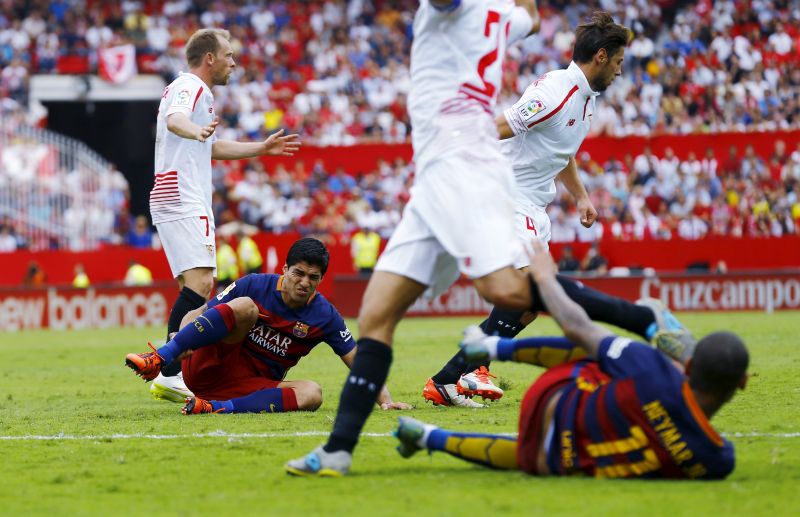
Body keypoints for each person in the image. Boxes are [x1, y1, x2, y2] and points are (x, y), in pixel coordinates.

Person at [285, 0, 544, 477]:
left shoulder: (451, 9)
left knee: (508, 293)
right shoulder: (504, 16)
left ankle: (640, 324)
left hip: (461, 166)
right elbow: (531, 14)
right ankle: (339, 451)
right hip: (435, 179)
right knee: (377, 313)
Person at [395, 241, 749, 479]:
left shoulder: (652, 369)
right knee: (531, 457)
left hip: (558, 395)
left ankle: (486, 353)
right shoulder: (717, 459)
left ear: (688, 366)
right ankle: (429, 437)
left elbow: (580, 330)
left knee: (598, 353)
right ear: (741, 382)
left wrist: (546, 280)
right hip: (568, 453)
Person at [422, 11, 632, 408]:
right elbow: (501, 125)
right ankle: (473, 370)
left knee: (528, 307)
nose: (620, 72)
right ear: (601, 57)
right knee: (528, 290)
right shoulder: (555, 92)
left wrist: (581, 196)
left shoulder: (584, 99)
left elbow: (561, 150)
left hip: (533, 204)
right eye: (619, 62)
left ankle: (447, 381)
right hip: (505, 196)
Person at [149, 28, 301, 402]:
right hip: (181, 195)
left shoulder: (200, 94)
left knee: (197, 288)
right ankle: (169, 373)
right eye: (229, 55)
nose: (235, 62)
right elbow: (175, 120)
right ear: (210, 58)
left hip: (182, 194)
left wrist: (261, 149)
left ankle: (174, 369)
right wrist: (195, 129)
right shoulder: (190, 86)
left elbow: (211, 147)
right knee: (201, 287)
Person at [125, 238, 411, 414]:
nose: (304, 282)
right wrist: (181, 340)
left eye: (313, 277)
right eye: (298, 273)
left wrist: (385, 400)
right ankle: (159, 357)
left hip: (250, 387)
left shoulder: (325, 315)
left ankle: (214, 408)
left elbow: (357, 359)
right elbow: (199, 313)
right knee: (245, 307)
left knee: (313, 393)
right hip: (209, 365)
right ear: (285, 270)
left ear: (321, 279)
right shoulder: (254, 284)